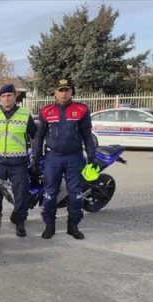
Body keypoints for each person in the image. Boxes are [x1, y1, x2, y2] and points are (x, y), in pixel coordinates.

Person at [32, 78, 97, 240]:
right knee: (49, 193)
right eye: (60, 90)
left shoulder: (81, 109)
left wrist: (91, 156)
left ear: (71, 92)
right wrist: (36, 158)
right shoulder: (46, 111)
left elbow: (87, 135)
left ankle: (73, 226)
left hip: (74, 157)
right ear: (55, 92)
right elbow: (39, 136)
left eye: (67, 90)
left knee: (75, 194)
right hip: (53, 158)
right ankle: (49, 226)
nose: (64, 93)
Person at [0, 84, 37, 237]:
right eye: (3, 96)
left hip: (18, 162)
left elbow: (35, 135)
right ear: (0, 98)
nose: (6, 98)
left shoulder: (24, 115)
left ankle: (19, 220)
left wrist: (35, 155)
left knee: (21, 193)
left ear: (15, 97)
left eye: (9, 95)